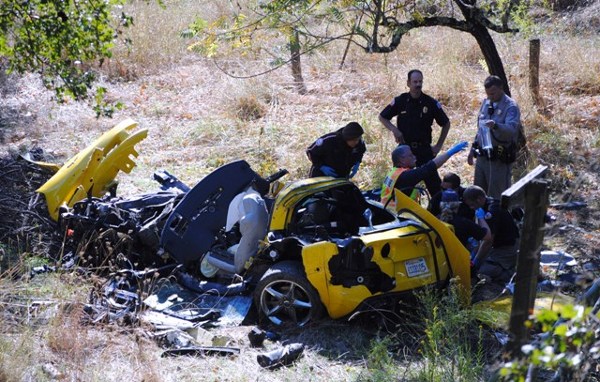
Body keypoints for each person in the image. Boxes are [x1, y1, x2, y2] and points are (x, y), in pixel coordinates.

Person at [379, 69, 451, 196]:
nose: (418, 84)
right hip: (405, 152)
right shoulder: (400, 101)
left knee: (435, 187)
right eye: (415, 82)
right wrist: (394, 130)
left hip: (424, 150)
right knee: (401, 187)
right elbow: (382, 117)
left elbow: (446, 123)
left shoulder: (430, 103)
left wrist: (438, 146)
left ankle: (437, 212)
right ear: (408, 83)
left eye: (420, 81)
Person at [468, 75, 522, 199]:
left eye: (493, 93)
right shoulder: (486, 103)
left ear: (501, 88)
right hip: (482, 157)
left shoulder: (510, 106)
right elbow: (480, 128)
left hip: (499, 159)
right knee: (477, 194)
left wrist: (496, 126)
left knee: (496, 197)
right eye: (488, 94)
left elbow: (512, 130)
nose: (490, 97)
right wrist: (473, 148)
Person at [380, 141, 468, 211]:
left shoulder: (394, 173)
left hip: (388, 212)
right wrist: (450, 152)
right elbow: (430, 167)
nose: (415, 157)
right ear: (402, 160)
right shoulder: (405, 176)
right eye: (411, 155)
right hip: (397, 215)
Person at [462, 185, 520, 284]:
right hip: (496, 245)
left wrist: (476, 261)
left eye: (472, 204)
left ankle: (510, 273)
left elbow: (488, 241)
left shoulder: (492, 211)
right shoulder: (484, 206)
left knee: (482, 271)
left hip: (507, 247)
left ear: (479, 199)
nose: (471, 208)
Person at [438, 189, 491, 259]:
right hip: (458, 261)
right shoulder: (464, 223)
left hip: (438, 260)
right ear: (457, 205)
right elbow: (487, 236)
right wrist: (481, 218)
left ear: (441, 205)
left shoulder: (433, 220)